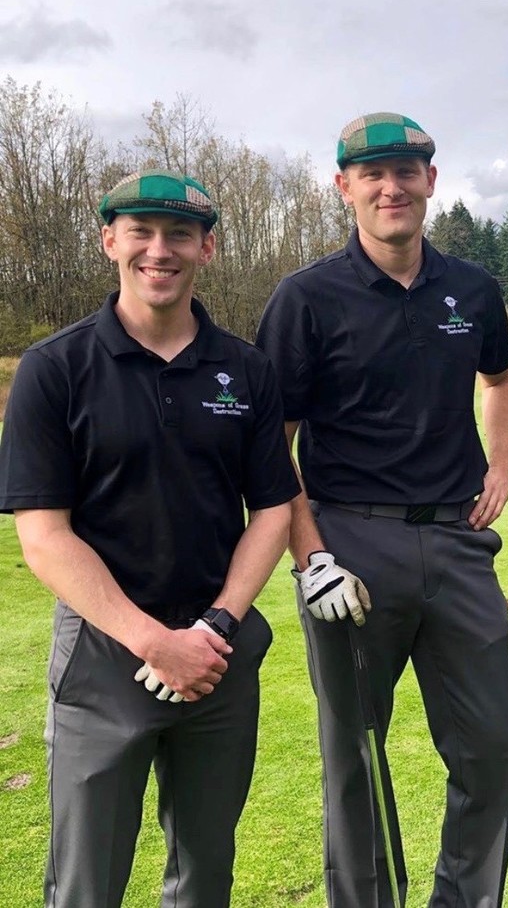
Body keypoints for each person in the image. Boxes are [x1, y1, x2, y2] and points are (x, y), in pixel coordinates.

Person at [0, 168, 299, 908]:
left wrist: (216, 625)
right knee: (86, 882)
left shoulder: (246, 369)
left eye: (179, 235)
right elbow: (44, 536)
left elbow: (273, 510)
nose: (159, 250)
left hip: (218, 654)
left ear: (207, 248)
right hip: (105, 655)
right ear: (111, 241)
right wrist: (153, 641)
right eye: (141, 231)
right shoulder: (54, 368)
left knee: (205, 876)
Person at [255, 111, 508, 908]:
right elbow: (270, 446)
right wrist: (312, 558)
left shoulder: (472, 288)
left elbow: (502, 379)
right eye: (371, 174)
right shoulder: (305, 298)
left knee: (494, 749)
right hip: (351, 542)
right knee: (357, 758)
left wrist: (501, 465)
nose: (390, 188)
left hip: (458, 542)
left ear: (430, 181)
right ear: (344, 188)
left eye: (406, 172)